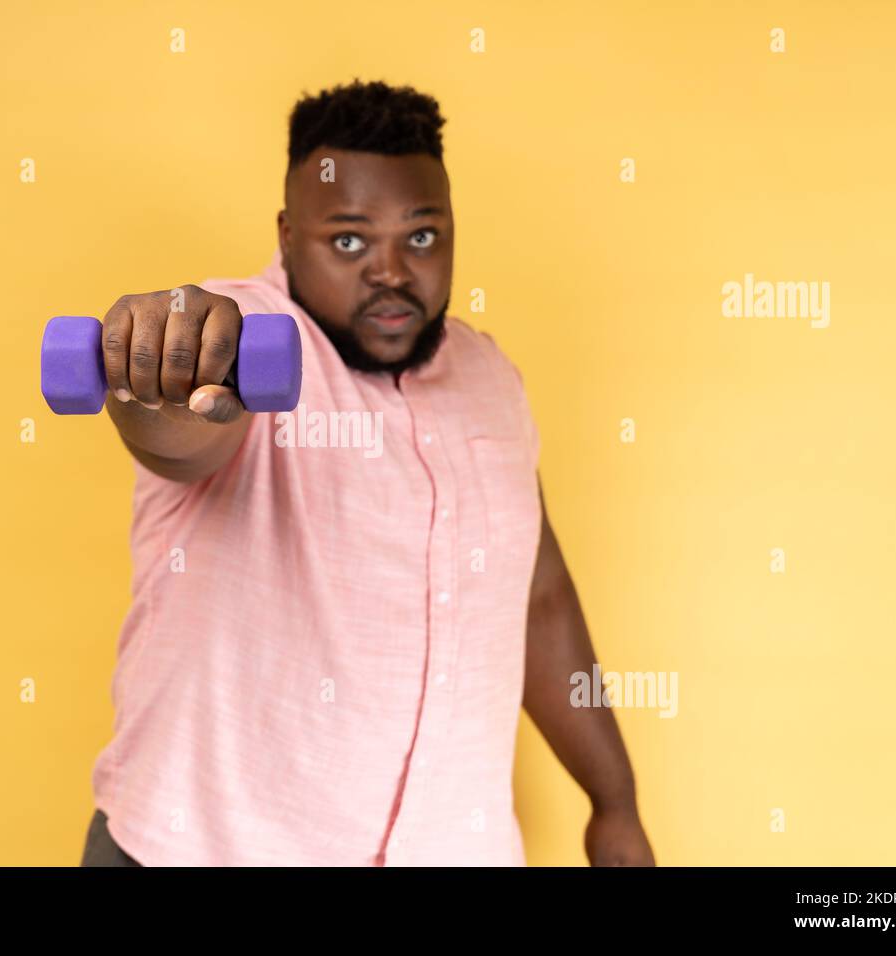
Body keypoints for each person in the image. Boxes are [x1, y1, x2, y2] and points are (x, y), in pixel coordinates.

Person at [81, 79, 655, 867]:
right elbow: (176, 432)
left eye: (421, 237)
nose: (390, 270)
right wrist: (165, 369)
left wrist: (613, 801)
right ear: (288, 236)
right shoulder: (250, 341)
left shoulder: (492, 379)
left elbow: (538, 599)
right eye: (348, 240)